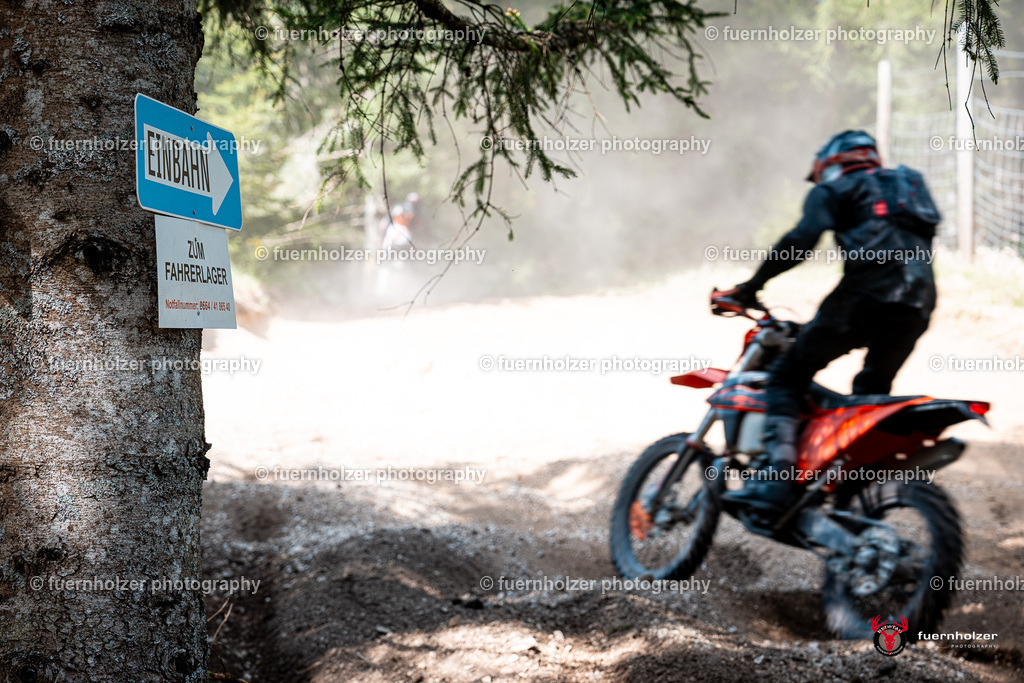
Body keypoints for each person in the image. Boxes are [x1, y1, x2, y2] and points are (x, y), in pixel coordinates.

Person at [719, 130, 942, 514]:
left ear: (830, 164)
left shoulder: (834, 190)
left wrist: (750, 286)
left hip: (865, 296)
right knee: (869, 392)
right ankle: (850, 497)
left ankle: (777, 483)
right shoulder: (905, 190)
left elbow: (800, 241)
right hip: (918, 303)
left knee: (787, 376)